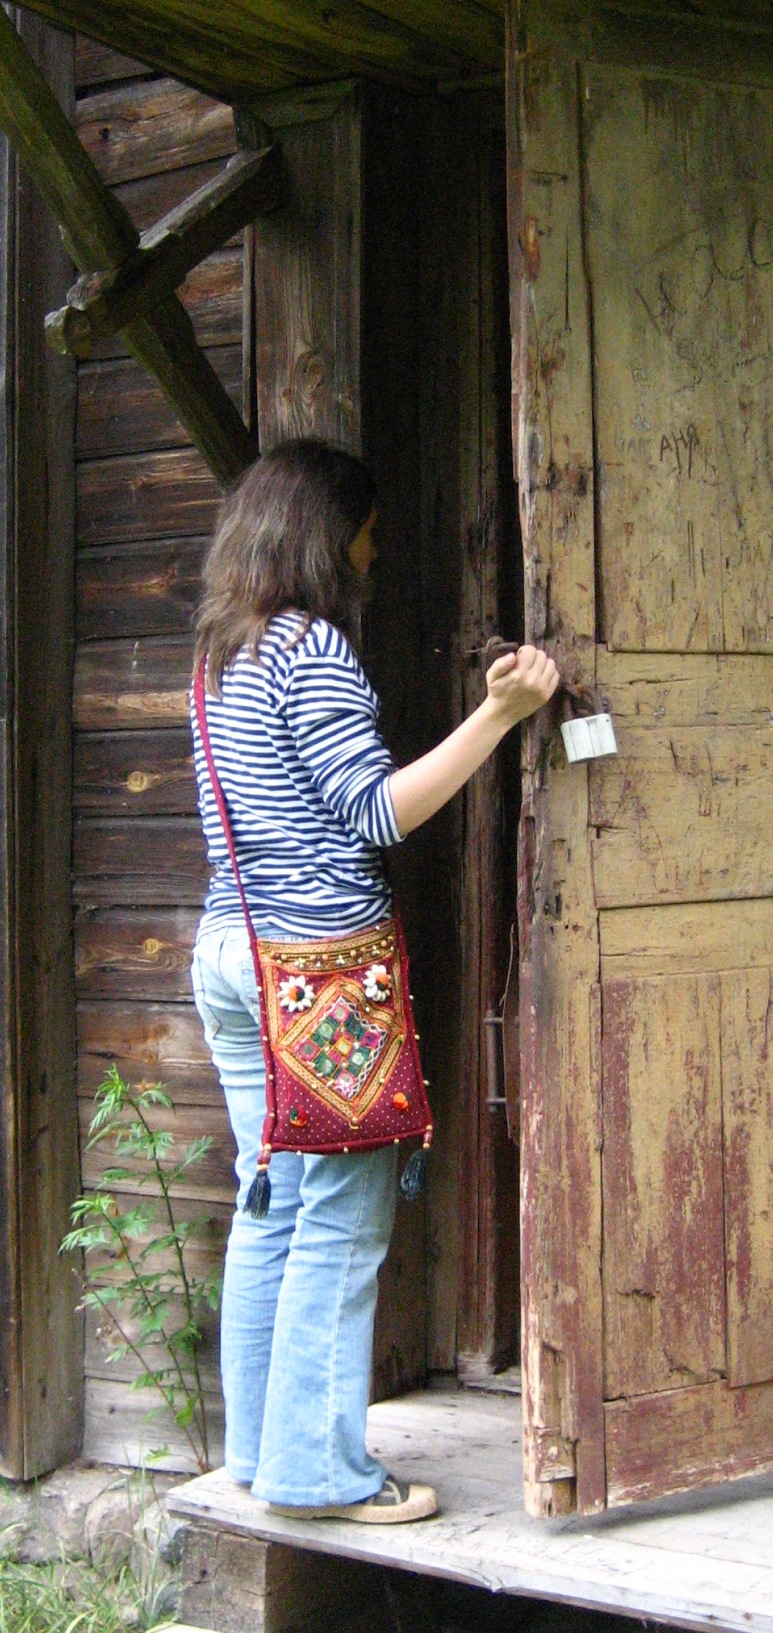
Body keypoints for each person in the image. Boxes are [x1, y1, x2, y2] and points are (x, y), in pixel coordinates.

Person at [190, 439, 559, 1524]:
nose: (373, 550)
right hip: (321, 978)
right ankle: (317, 1473)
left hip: (230, 954)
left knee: (269, 1200)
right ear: (326, 533)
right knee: (341, 1223)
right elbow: (375, 812)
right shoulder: (308, 647)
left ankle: (261, 1454)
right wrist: (498, 714)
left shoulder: (216, 653)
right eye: (366, 530)